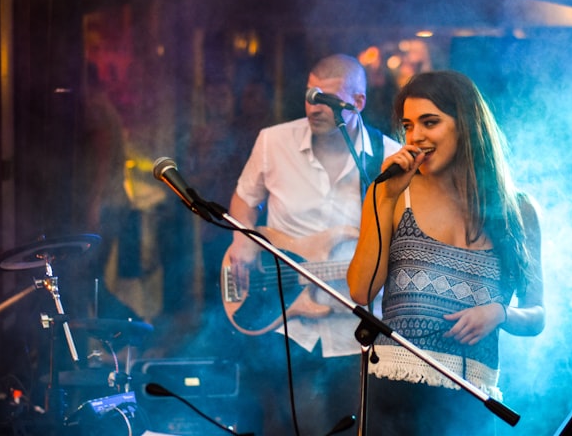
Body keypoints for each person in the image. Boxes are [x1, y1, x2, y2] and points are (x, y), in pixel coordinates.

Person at [347, 70, 545, 436]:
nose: (416, 136)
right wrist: (383, 197)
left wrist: (500, 313)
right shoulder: (393, 192)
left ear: (466, 126)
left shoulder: (519, 209)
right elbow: (360, 291)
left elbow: (537, 315)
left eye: (430, 122)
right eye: (408, 125)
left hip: (474, 401)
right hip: (397, 390)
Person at [226, 54, 400, 434]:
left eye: (326, 98)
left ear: (357, 102)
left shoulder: (386, 157)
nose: (313, 106)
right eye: (310, 94)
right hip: (286, 320)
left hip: (355, 333)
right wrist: (242, 239)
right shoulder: (273, 142)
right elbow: (243, 200)